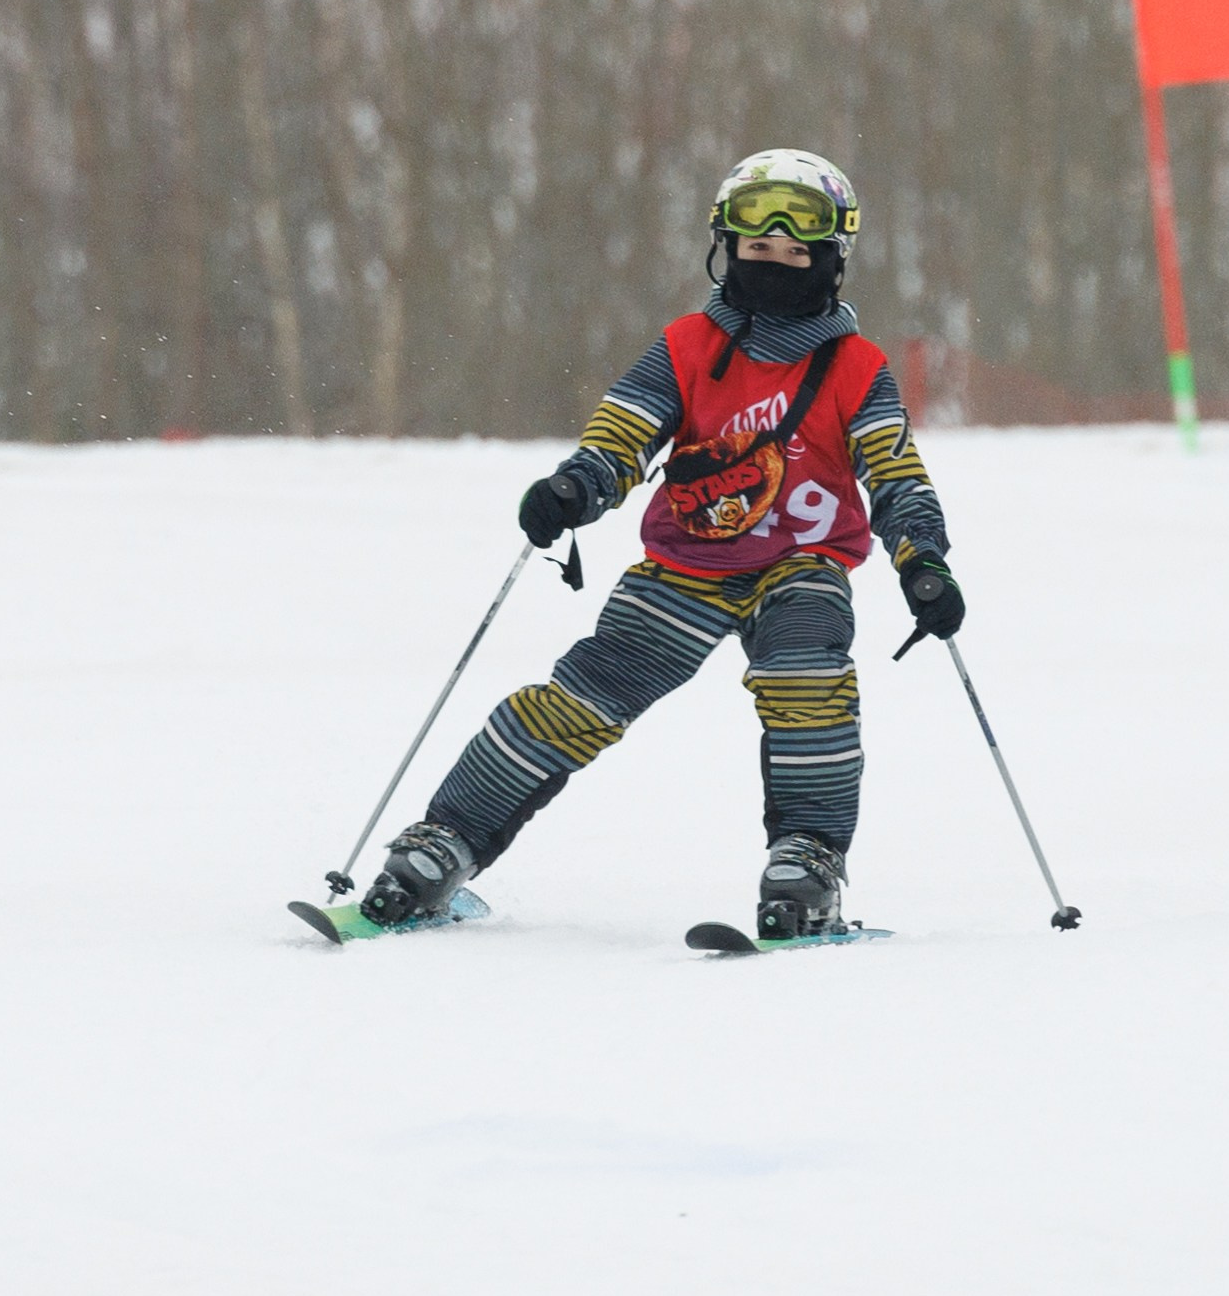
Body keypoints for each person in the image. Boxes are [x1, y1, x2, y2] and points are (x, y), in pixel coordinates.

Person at [359, 149, 963, 941]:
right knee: (582, 698)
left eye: (795, 252)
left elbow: (892, 469)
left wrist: (921, 557)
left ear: (830, 259)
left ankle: (805, 863)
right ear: (726, 249)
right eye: (756, 249)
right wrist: (578, 486)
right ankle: (443, 844)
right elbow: (626, 430)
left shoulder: (856, 367)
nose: (774, 262)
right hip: (685, 565)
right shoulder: (684, 346)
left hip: (802, 566)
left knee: (806, 683)